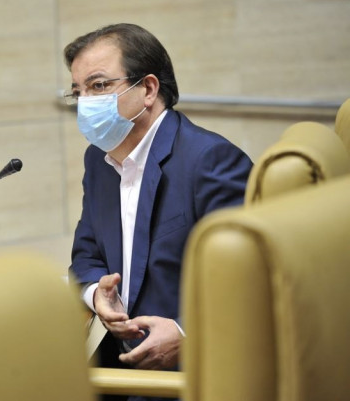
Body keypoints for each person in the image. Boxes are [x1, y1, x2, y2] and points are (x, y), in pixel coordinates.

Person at [64, 23, 253, 399]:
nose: (85, 102)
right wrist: (95, 295)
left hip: (194, 374)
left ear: (148, 89)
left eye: (98, 86)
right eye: (77, 92)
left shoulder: (211, 161)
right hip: (118, 365)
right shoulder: (99, 161)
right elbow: (86, 255)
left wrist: (187, 334)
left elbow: (252, 284)